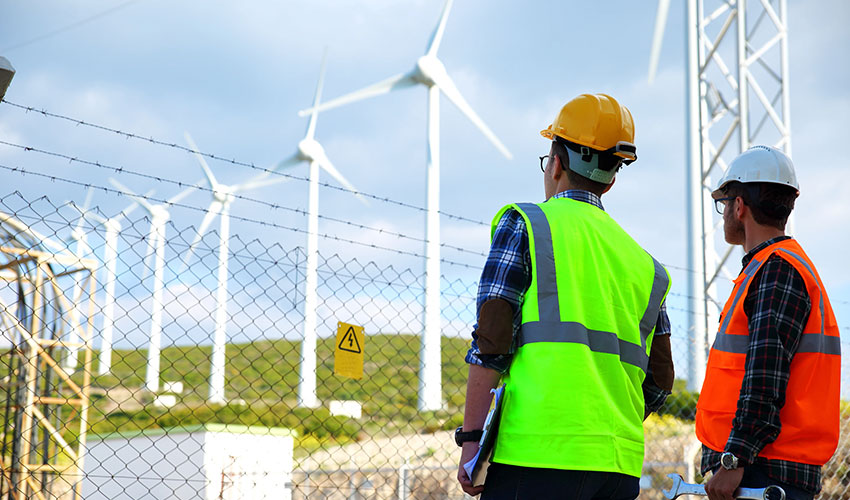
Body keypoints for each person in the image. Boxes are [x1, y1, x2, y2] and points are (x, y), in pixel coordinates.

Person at [455, 93, 674, 500]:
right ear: (611, 177)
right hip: (616, 466)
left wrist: (471, 440)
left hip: (535, 456)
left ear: (555, 163)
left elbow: (491, 342)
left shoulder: (528, 225)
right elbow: (660, 382)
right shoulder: (648, 267)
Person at [697, 146, 841, 500]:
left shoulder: (776, 270)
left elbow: (765, 375)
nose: (725, 212)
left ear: (740, 206)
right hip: (769, 467)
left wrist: (733, 460)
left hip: (762, 471)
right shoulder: (781, 267)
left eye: (725, 202)